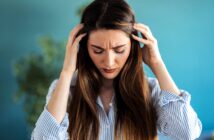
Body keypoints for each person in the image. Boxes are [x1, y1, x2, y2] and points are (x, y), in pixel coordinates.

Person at [31, 0, 202, 139]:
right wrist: (67, 72)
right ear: (83, 48)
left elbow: (186, 133)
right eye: (97, 50)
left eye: (119, 50)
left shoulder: (150, 91)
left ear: (133, 46)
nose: (109, 61)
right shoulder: (65, 91)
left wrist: (156, 63)